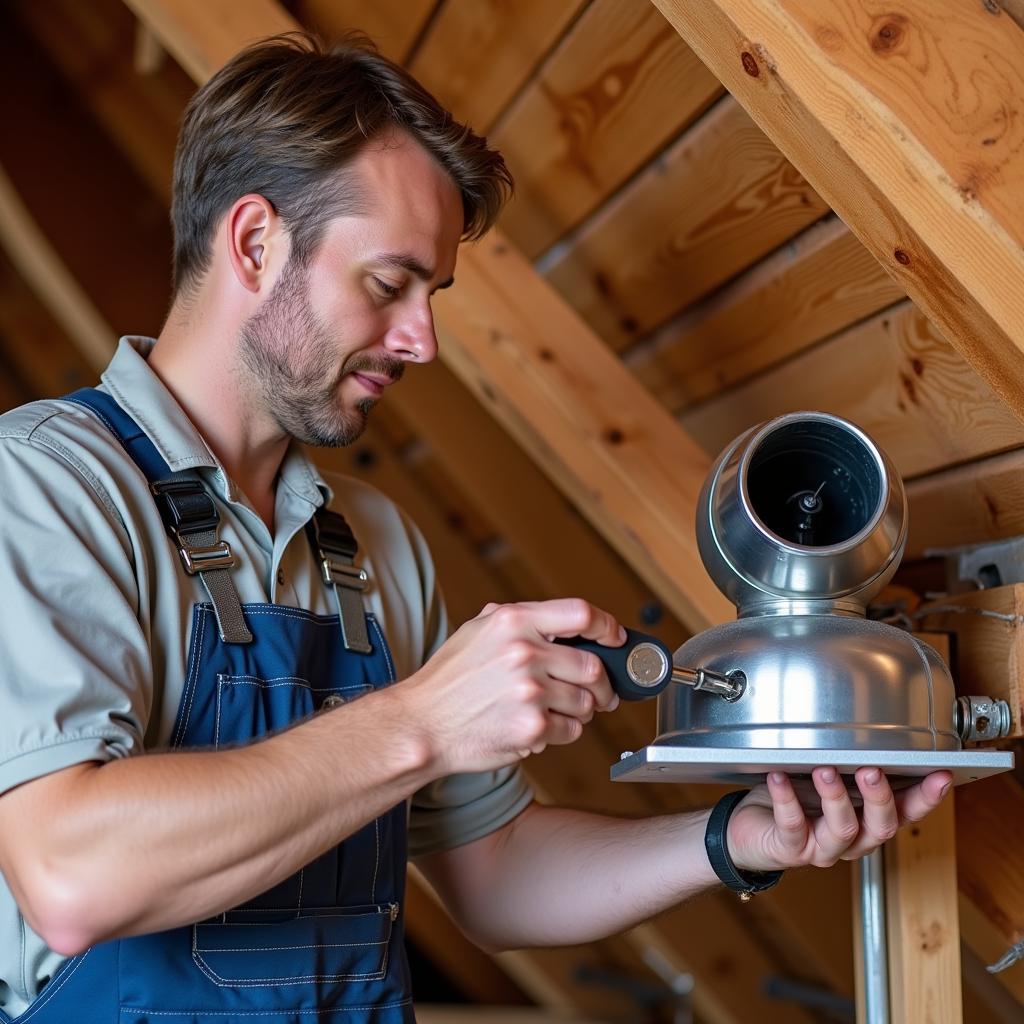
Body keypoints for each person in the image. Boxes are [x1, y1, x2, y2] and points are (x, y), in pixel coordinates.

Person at [0, 32, 951, 1022]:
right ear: (252, 243)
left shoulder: (373, 545)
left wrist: (733, 839)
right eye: (387, 284)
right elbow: (71, 877)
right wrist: (421, 721)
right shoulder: (49, 484)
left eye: (433, 294)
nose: (423, 339)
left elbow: (493, 875)